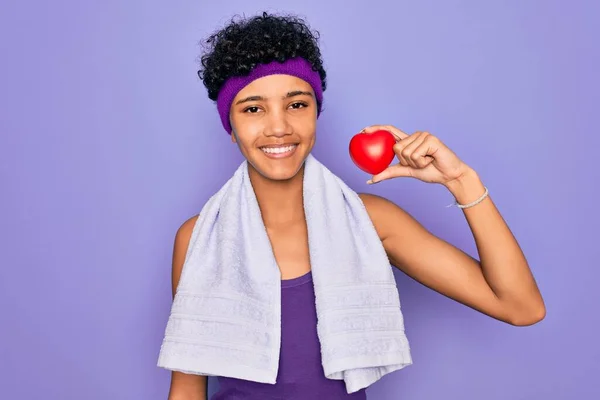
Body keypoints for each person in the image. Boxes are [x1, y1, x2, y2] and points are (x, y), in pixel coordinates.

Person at [163, 11, 545, 400]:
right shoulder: (199, 238)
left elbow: (521, 307)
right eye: (253, 109)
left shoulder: (371, 221)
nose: (279, 127)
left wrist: (462, 181)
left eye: (296, 104)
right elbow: (187, 387)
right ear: (230, 128)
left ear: (316, 113)